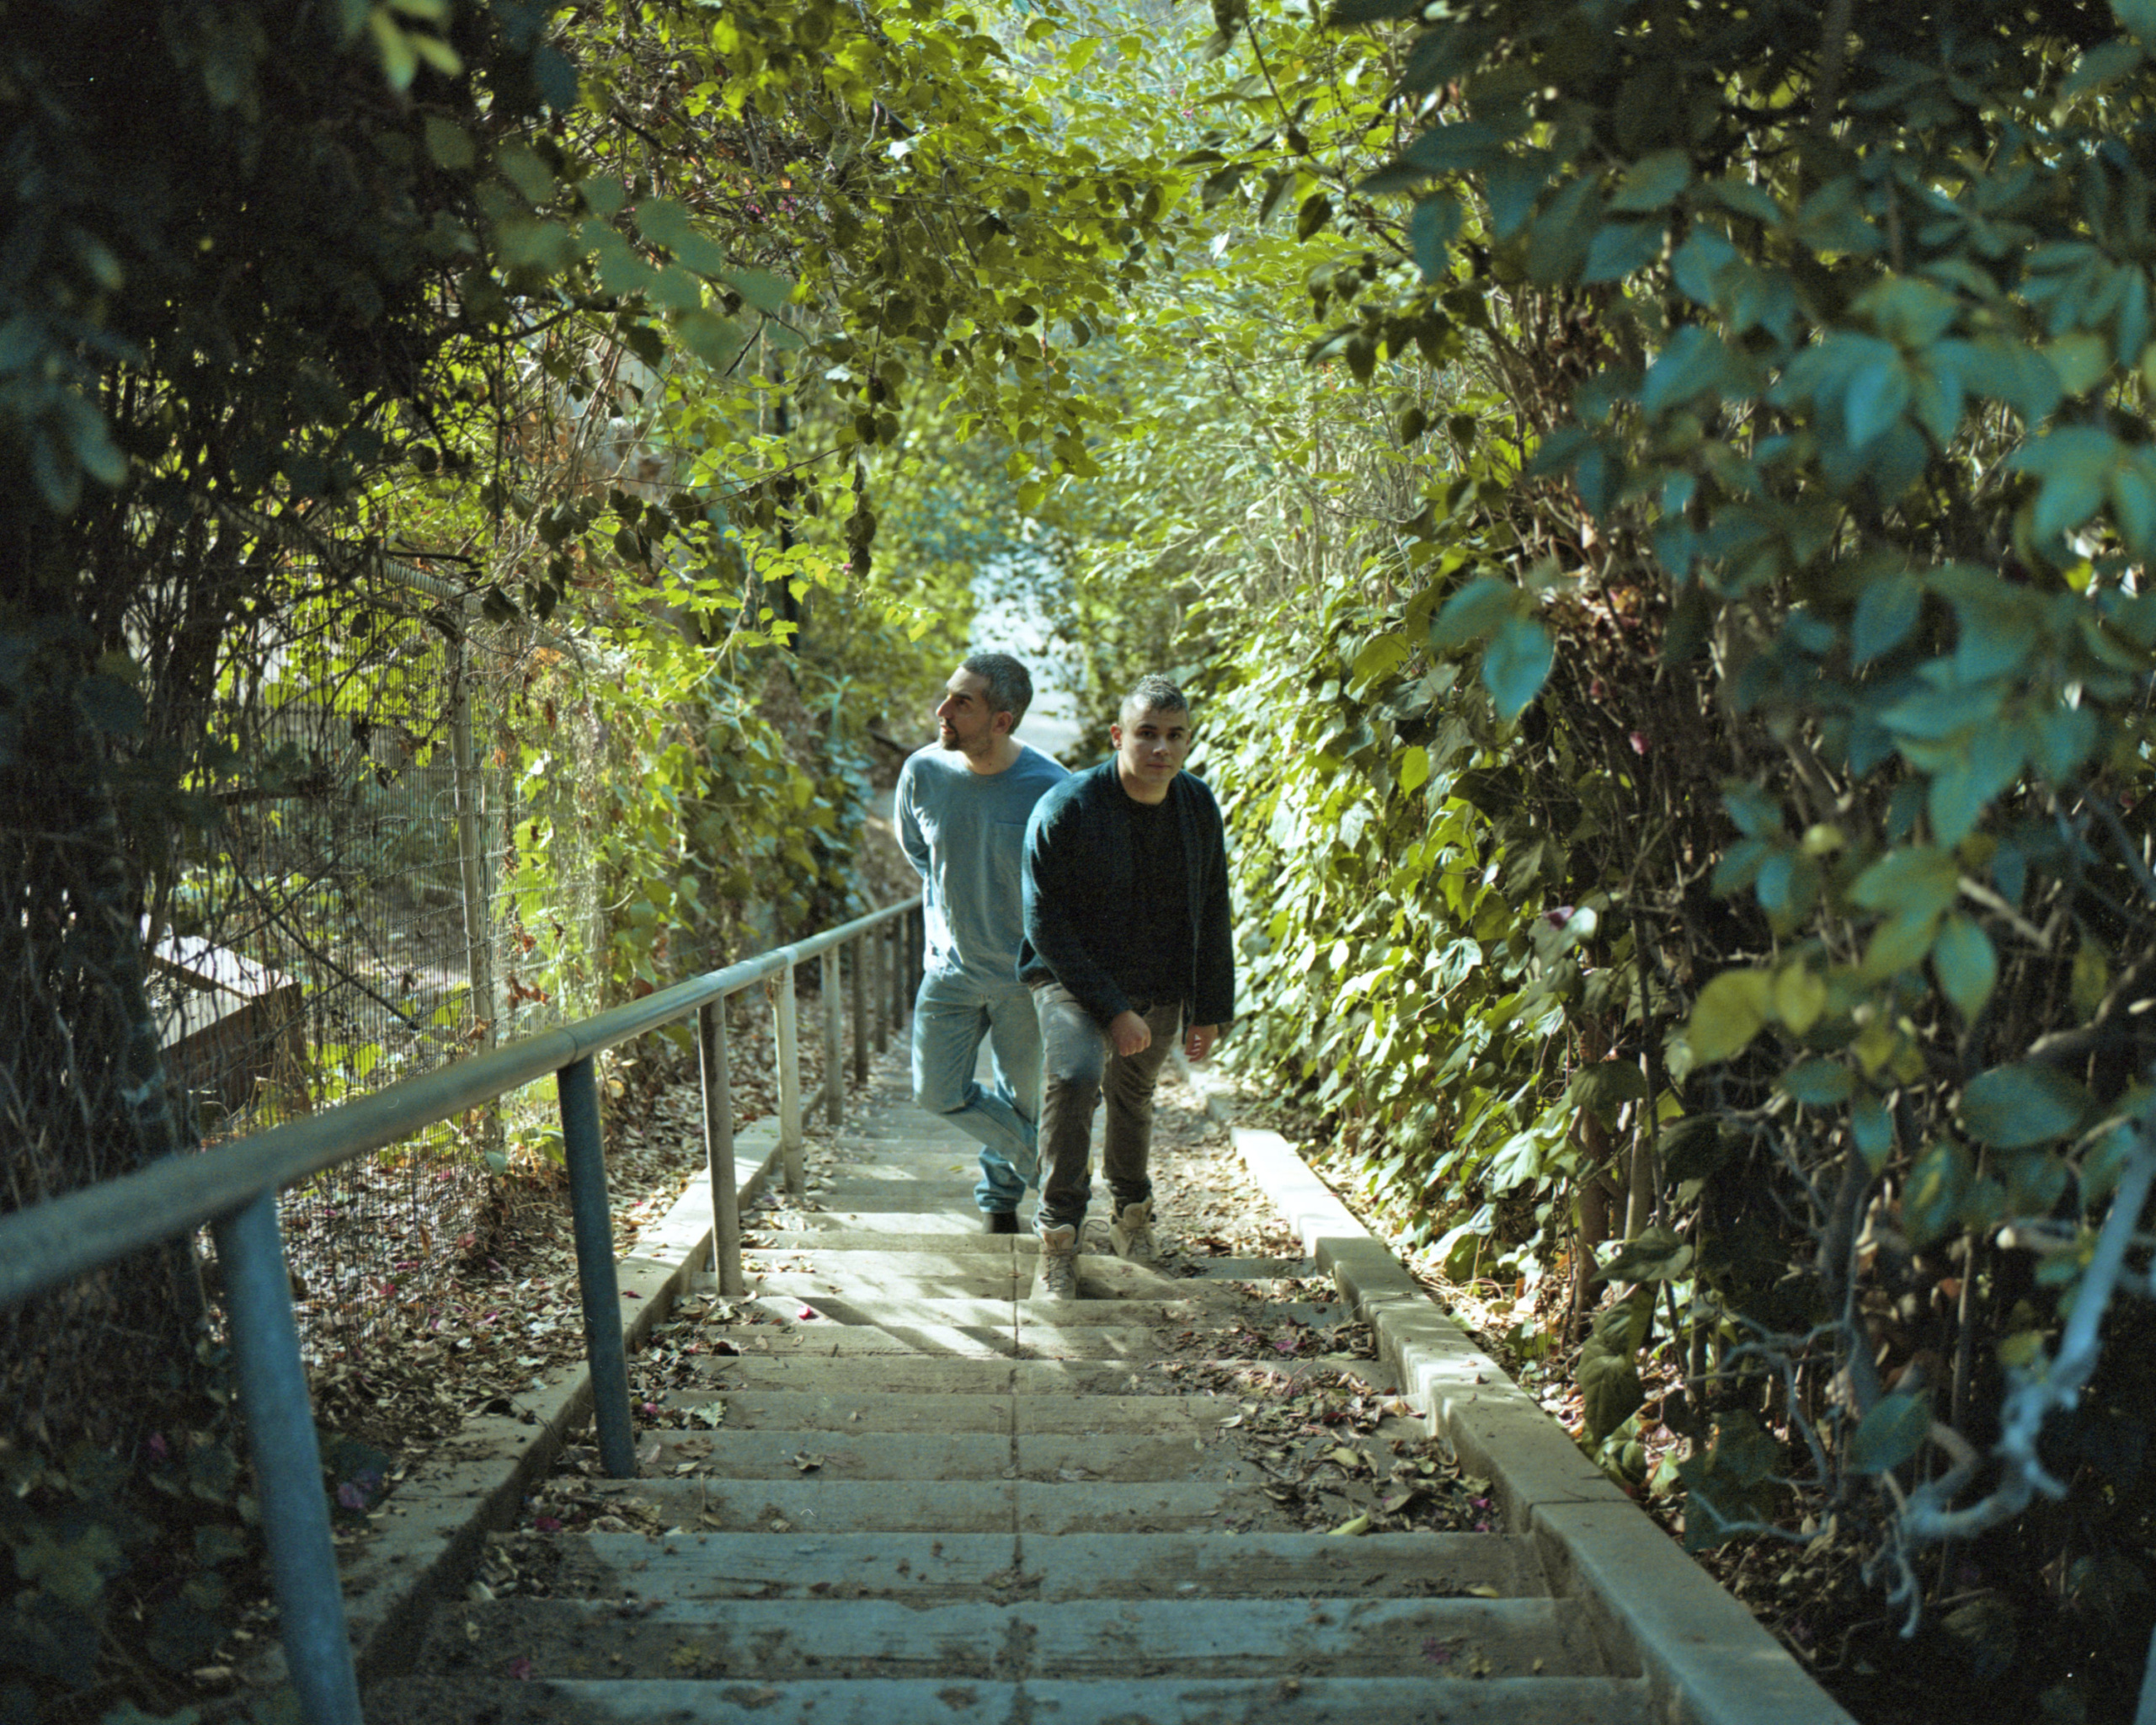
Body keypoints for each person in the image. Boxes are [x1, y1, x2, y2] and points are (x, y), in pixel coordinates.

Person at [1018, 674, 1233, 1300]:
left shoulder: (1196, 804)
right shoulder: (1070, 807)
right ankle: (1059, 1237)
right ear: (1119, 736)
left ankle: (1131, 1216)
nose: (1161, 748)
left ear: (1187, 741)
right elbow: (1043, 923)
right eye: (1146, 734)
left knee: (1135, 1096)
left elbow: (1213, 905)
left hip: (1159, 982)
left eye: (1174, 736)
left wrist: (1209, 1008)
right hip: (1068, 977)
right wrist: (1112, 1009)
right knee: (1078, 1075)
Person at [895, 652, 1070, 1231]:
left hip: (1026, 977)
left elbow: (1074, 885)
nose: (941, 711)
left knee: (1025, 1100)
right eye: (948, 695)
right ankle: (1051, 1172)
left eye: (961, 702)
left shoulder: (1052, 787)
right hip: (949, 971)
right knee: (935, 1092)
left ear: (1002, 720)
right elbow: (920, 852)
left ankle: (999, 1203)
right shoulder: (923, 771)